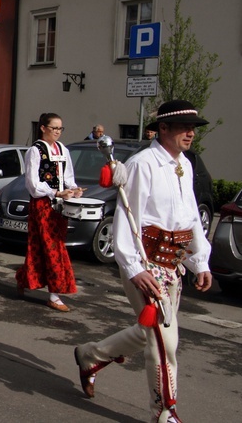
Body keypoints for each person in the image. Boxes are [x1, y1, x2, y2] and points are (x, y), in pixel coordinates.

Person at [74, 100, 212, 422]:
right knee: (165, 341)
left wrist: (199, 261)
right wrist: (134, 269)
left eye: (193, 128)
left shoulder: (185, 165)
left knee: (151, 332)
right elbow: (127, 216)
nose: (190, 134)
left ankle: (91, 356)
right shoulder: (142, 164)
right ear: (163, 128)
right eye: (183, 127)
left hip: (173, 262)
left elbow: (190, 217)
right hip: (145, 264)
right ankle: (165, 412)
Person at [16, 113, 82, 312]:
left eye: (60, 129)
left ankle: (23, 276)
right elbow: (33, 184)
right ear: (43, 128)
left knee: (45, 247)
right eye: (54, 128)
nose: (58, 132)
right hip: (42, 205)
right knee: (52, 248)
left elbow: (68, 176)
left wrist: (74, 189)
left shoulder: (63, 149)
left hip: (60, 206)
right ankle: (54, 294)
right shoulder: (35, 151)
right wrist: (54, 191)